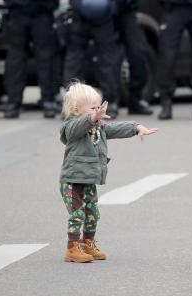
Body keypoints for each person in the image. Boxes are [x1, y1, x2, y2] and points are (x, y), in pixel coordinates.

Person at [58, 82, 157, 262]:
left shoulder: (97, 126)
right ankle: (72, 248)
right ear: (76, 110)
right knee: (77, 213)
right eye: (93, 108)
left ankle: (88, 242)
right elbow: (75, 130)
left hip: (88, 180)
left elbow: (114, 128)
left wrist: (136, 128)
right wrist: (91, 118)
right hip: (72, 181)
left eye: (99, 108)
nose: (98, 112)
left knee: (93, 212)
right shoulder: (70, 127)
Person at [58, 0, 129, 119]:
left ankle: (111, 102)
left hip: (103, 20)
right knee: (74, 61)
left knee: (107, 61)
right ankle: (71, 104)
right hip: (79, 18)